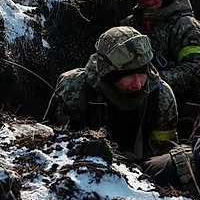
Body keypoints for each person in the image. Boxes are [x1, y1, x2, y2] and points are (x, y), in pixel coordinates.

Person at [51, 26, 178, 163]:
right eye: (128, 76)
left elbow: (162, 151)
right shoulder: (73, 89)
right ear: (109, 74)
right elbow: (56, 144)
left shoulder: (161, 96)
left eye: (142, 73)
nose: (138, 84)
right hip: (84, 165)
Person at [121, 0, 200, 103]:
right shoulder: (129, 25)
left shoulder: (185, 26)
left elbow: (196, 69)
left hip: (177, 102)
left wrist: (153, 81)